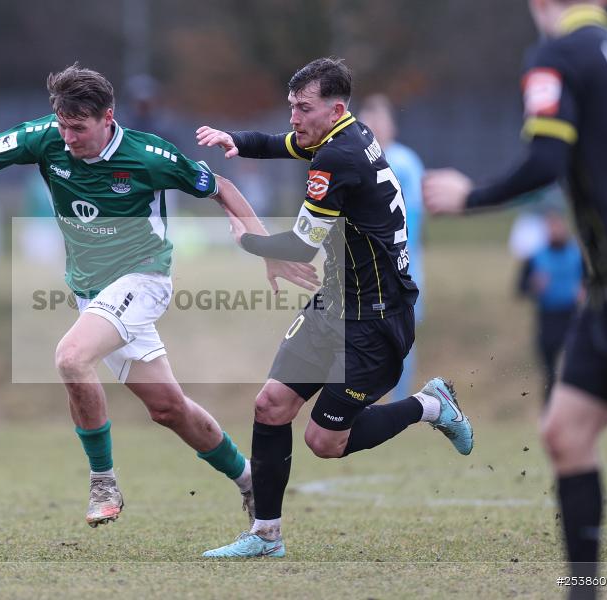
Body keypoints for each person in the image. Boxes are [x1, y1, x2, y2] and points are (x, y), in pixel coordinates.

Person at [0, 64, 319, 529]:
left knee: (71, 357)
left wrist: (265, 248)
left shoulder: (150, 156)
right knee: (168, 409)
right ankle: (250, 480)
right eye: (63, 126)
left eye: (79, 128)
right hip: (92, 293)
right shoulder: (44, 137)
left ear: (108, 118)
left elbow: (223, 188)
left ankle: (103, 481)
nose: (69, 138)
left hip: (144, 278)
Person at [195, 57, 474, 558]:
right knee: (271, 405)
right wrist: (240, 141)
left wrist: (248, 241)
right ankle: (265, 535)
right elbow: (293, 143)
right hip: (334, 305)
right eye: (291, 107)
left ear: (335, 108)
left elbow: (302, 246)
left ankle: (431, 405)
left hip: (376, 320)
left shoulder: (336, 159)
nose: (293, 118)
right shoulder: (349, 134)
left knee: (325, 441)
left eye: (303, 108)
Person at [423, 2, 607, 596]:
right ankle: (583, 588)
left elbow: (545, 159)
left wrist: (470, 195)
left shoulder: (558, 55)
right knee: (565, 430)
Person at [358, 94, 426, 400]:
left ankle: (399, 402)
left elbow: (409, 217)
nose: (373, 127)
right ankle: (361, 403)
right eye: (366, 121)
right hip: (360, 272)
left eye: (379, 120)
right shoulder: (353, 159)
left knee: (400, 339)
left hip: (400, 269)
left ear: (391, 126)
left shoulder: (405, 163)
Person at [518, 209, 584, 401]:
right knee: (549, 373)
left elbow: (592, 281)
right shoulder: (536, 257)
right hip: (547, 319)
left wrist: (585, 291)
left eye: (558, 226)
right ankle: (548, 412)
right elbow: (521, 287)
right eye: (551, 227)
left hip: (573, 318)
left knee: (575, 371)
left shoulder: (576, 255)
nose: (555, 231)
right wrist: (534, 285)